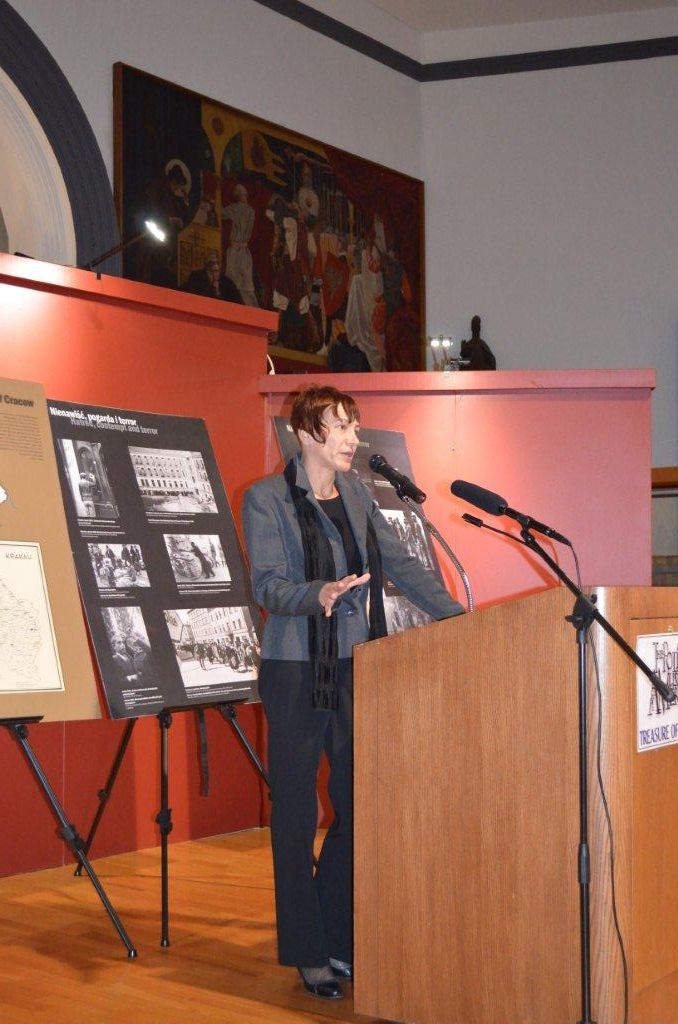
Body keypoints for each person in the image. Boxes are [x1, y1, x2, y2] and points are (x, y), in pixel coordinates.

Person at [242, 385, 463, 1001]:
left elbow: (403, 567)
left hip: (352, 663)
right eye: (340, 426)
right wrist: (319, 593)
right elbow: (268, 584)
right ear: (306, 433)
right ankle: (307, 951)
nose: (353, 438)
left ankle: (336, 933)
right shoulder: (266, 499)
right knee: (295, 813)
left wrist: (457, 617)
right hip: (294, 668)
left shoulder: (360, 496)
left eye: (354, 426)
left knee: (359, 802)